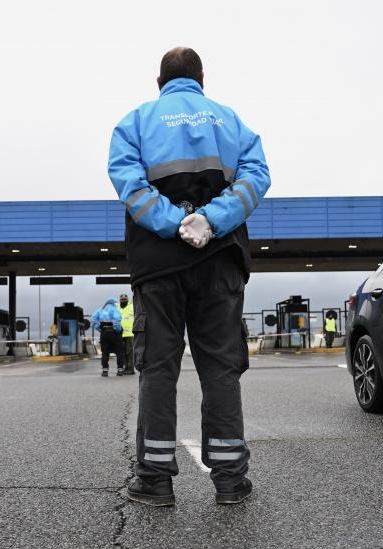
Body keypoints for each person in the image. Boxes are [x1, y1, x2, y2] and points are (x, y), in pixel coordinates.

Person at [108, 47, 270, 506]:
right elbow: (257, 177)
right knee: (221, 368)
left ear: (159, 81)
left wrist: (171, 222)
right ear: (201, 79)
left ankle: (156, 481)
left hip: (158, 265)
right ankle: (230, 481)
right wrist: (209, 221)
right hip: (220, 261)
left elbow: (130, 184)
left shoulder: (135, 122)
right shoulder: (230, 121)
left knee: (158, 368)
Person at [90, 297, 125, 377]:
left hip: (104, 333)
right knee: (119, 351)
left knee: (105, 352)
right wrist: (118, 330)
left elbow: (94, 320)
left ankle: (105, 370)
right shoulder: (114, 309)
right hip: (114, 333)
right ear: (113, 303)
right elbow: (117, 320)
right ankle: (120, 369)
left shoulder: (100, 310)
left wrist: (100, 329)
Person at [117, 293, 135, 376]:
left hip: (130, 333)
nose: (123, 301)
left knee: (129, 352)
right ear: (120, 301)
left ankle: (131, 369)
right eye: (122, 300)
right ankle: (125, 368)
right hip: (120, 333)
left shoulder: (132, 306)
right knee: (122, 352)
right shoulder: (117, 308)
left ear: (127, 300)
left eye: (125, 299)